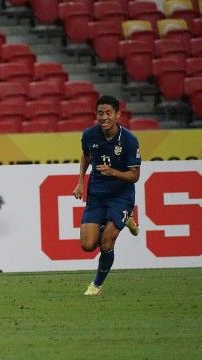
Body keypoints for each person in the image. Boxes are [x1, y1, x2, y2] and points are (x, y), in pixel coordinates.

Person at [73, 95, 141, 296]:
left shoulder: (129, 140)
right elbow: (86, 155)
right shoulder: (89, 135)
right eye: (100, 113)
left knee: (106, 241)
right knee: (87, 245)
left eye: (108, 113)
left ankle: (96, 285)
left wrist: (113, 172)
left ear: (118, 115)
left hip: (121, 196)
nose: (104, 117)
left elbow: (134, 175)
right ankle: (123, 220)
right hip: (97, 195)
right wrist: (80, 182)